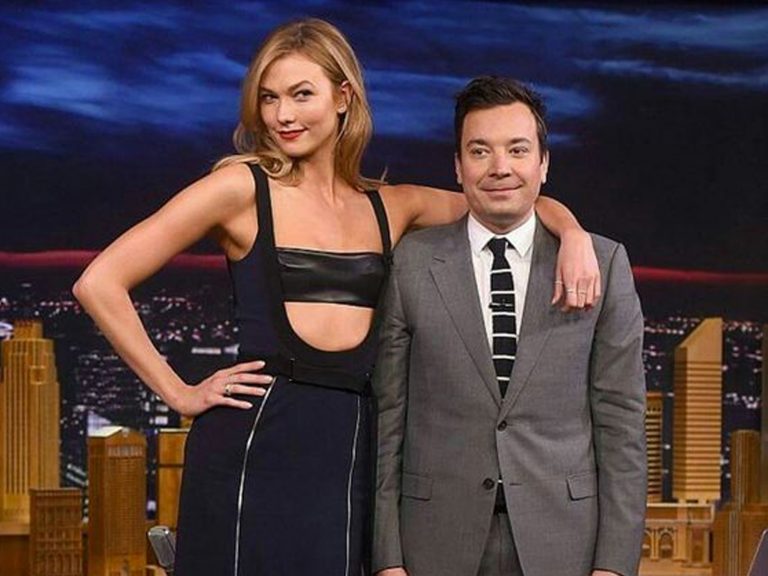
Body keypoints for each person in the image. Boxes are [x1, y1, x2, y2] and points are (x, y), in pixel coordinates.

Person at [73, 20, 599, 576]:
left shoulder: (390, 206)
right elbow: (99, 282)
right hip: (253, 448)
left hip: (352, 450)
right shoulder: (240, 188)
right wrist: (178, 393)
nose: (283, 115)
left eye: (302, 94)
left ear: (343, 97)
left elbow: (506, 200)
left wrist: (573, 234)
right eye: (269, 98)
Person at [373, 76, 647, 576]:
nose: (500, 167)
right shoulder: (412, 263)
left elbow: (622, 425)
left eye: (518, 150)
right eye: (480, 151)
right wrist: (386, 559)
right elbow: (388, 418)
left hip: (565, 543)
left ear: (543, 163)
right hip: (434, 542)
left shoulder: (602, 264)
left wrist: (613, 565)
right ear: (458, 167)